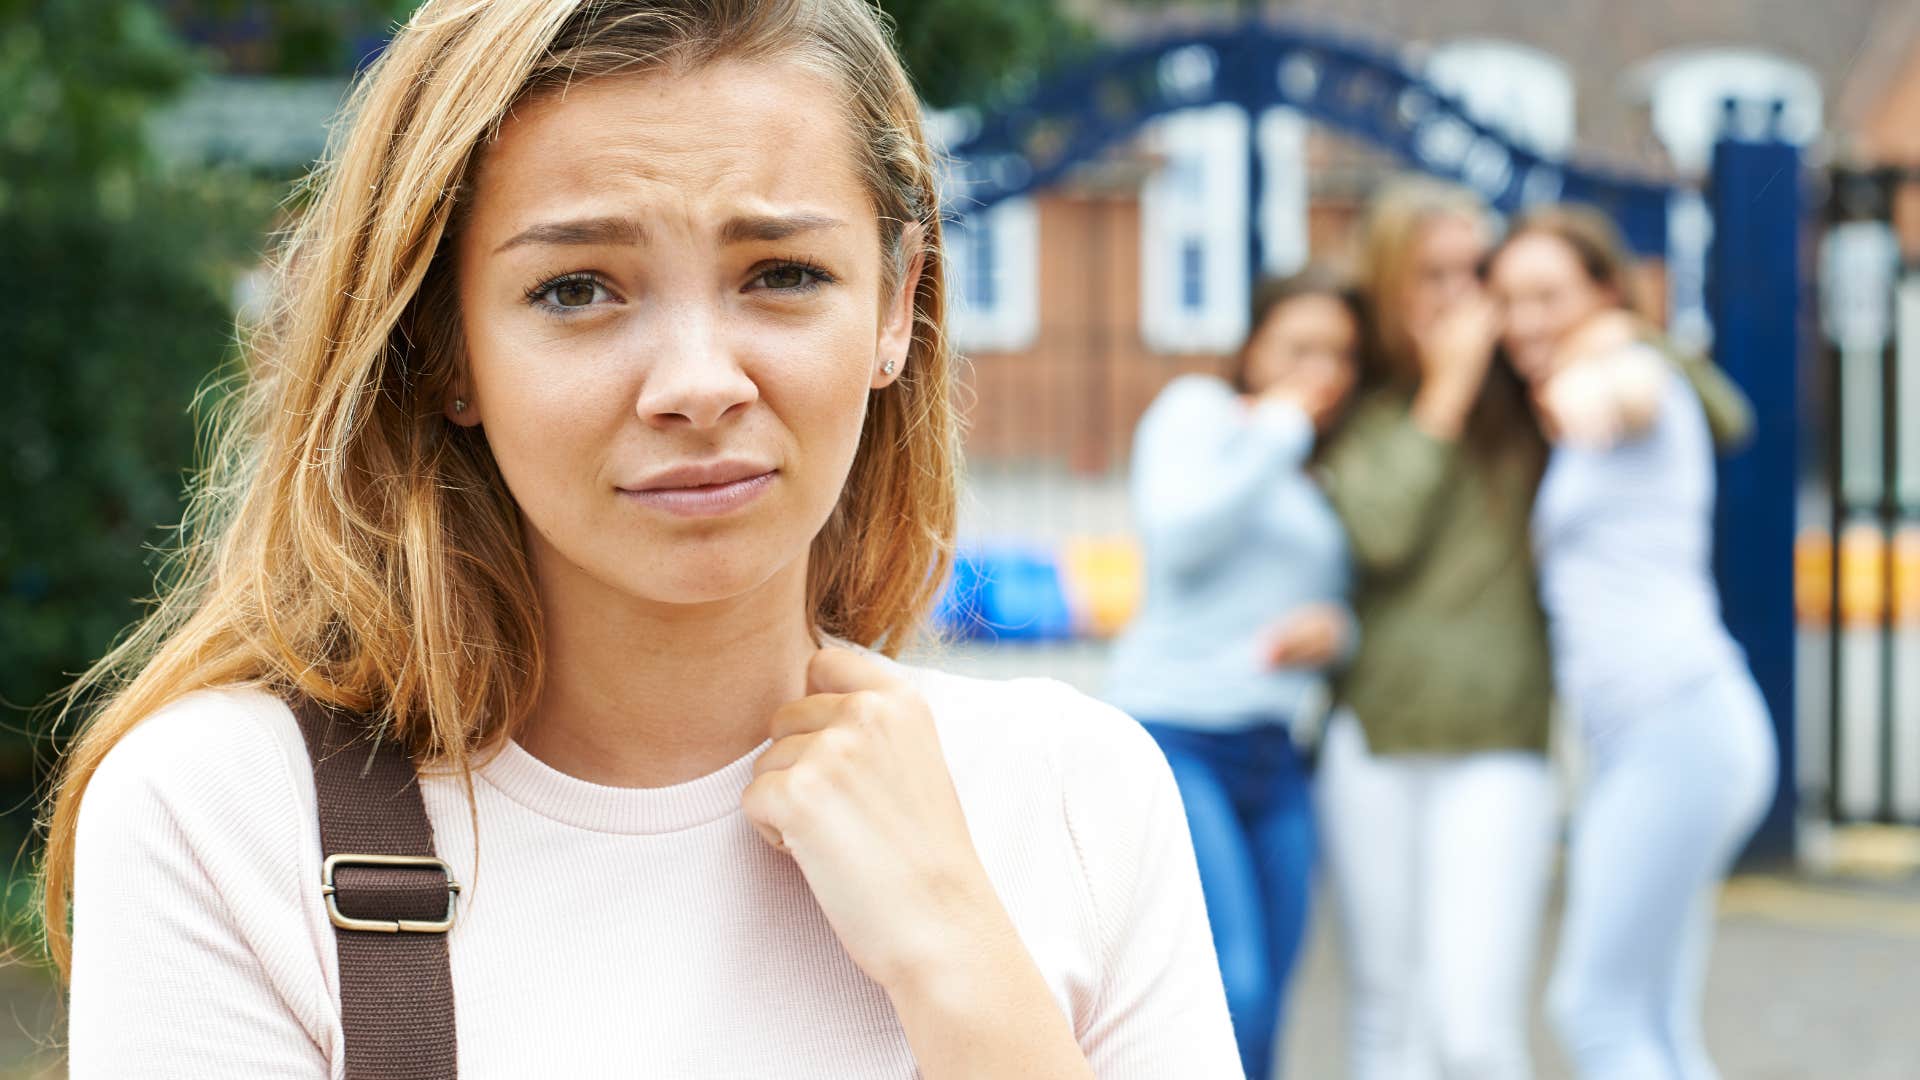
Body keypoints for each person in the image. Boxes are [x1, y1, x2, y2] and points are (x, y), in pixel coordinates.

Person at [44, 3, 1244, 1076]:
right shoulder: (228, 820)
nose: (698, 383)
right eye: (578, 288)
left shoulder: (1079, 797)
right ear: (449, 347)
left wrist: (964, 971)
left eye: (780, 272)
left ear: (897, 305)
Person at [1485, 205, 1778, 1080]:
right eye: (1508, 299)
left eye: (1548, 295)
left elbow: (1620, 400)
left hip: (1676, 725)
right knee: (1653, 1018)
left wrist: (1605, 361)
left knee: (1594, 1010)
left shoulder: (1632, 373)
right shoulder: (1604, 374)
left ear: (1606, 294)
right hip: (1649, 738)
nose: (1525, 320)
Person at [1312, 178, 1560, 1080]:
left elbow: (1712, 404)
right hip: (1374, 738)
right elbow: (1379, 529)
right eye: (1432, 275)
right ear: (1387, 284)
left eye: (1474, 272)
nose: (1461, 297)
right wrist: (1442, 394)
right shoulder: (1362, 406)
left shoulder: (1528, 402)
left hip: (1496, 740)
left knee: (1472, 1031)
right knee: (1389, 1019)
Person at [1104, 271, 1361, 1080]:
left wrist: (1339, 631)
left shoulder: (1317, 468)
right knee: (1230, 990)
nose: (1321, 370)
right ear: (1253, 351)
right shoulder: (1201, 416)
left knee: (1273, 1001)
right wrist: (1279, 427)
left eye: (1340, 354)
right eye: (1299, 347)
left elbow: (1331, 603)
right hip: (1179, 738)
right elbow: (1180, 537)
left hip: (1276, 752)